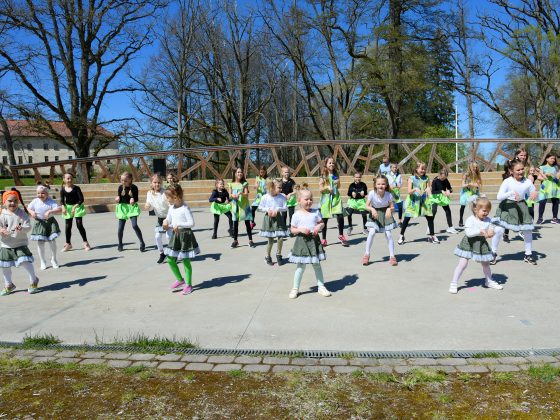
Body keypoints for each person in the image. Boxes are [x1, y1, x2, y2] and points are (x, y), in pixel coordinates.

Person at [450, 196, 502, 294]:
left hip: (481, 243)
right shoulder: (471, 219)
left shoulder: (488, 220)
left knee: (486, 264)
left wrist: (491, 233)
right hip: (469, 243)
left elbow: (490, 230)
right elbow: (468, 233)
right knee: (462, 264)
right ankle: (454, 283)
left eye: (488, 211)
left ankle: (489, 281)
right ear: (475, 209)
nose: (486, 213)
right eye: (484, 211)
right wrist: (480, 231)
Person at [490, 159, 538, 265]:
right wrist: (511, 192)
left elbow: (533, 192)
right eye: (518, 170)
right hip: (507, 207)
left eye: (522, 169)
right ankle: (493, 253)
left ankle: (528, 254)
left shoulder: (528, 182)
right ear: (511, 171)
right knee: (498, 229)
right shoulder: (507, 181)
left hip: (521, 207)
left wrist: (535, 194)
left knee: (528, 230)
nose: (521, 171)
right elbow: (499, 197)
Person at [288, 187, 331, 299]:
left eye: (311, 199)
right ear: (299, 201)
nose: (309, 201)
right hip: (302, 242)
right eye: (306, 199)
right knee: (300, 266)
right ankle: (295, 288)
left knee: (317, 265)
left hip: (314, 241)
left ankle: (321, 286)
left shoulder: (315, 212)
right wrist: (300, 230)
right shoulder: (296, 214)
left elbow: (322, 223)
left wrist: (318, 226)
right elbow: (292, 230)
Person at [163, 184, 200, 296]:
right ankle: (180, 280)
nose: (167, 199)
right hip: (176, 236)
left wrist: (178, 224)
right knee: (170, 259)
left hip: (185, 236)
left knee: (185, 260)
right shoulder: (171, 208)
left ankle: (188, 284)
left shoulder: (185, 208)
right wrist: (165, 222)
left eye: (168, 197)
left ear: (175, 197)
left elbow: (191, 223)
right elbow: (168, 219)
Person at [0, 190, 39, 295]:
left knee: (25, 261)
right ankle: (8, 284)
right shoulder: (2, 214)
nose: (12, 203)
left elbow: (28, 227)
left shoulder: (22, 214)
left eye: (15, 201)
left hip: (20, 243)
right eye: (10, 201)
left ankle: (33, 280)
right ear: (4, 202)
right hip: (6, 244)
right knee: (5, 266)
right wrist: (1, 230)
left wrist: (22, 228)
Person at [398, 162, 438, 245]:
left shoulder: (426, 178)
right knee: (407, 218)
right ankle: (401, 235)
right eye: (421, 169)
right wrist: (415, 189)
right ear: (416, 169)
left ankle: (432, 235)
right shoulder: (411, 178)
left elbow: (428, 189)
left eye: (424, 169)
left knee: (430, 217)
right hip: (413, 201)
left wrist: (429, 192)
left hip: (424, 201)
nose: (423, 170)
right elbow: (409, 191)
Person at [363, 175, 398, 266]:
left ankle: (392, 256)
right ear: (375, 185)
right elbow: (366, 206)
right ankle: (367, 254)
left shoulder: (389, 195)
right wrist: (372, 209)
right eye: (378, 184)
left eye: (383, 184)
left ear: (386, 185)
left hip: (385, 214)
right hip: (375, 213)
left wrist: (389, 209)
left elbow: (393, 207)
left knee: (388, 234)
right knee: (371, 232)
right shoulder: (372, 193)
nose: (381, 186)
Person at [28, 184, 62, 270]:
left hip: (50, 222)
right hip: (39, 223)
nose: (40, 195)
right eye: (38, 193)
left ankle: (54, 259)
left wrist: (50, 211)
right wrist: (32, 212)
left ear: (47, 194)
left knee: (52, 241)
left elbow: (58, 209)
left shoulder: (51, 201)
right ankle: (42, 261)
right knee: (40, 242)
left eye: (43, 193)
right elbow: (29, 208)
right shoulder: (35, 201)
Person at [258, 178, 289, 266]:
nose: (281, 189)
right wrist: (268, 210)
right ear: (272, 187)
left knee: (280, 237)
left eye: (281, 187)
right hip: (269, 219)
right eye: (279, 187)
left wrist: (278, 209)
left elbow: (285, 208)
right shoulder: (265, 197)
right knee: (270, 240)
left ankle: (278, 255)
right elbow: (260, 208)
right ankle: (267, 256)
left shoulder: (281, 197)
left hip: (278, 218)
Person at [319, 157, 347, 246]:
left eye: (333, 163)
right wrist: (327, 188)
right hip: (326, 199)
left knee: (340, 216)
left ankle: (341, 235)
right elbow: (320, 189)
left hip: (336, 198)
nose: (331, 164)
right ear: (326, 165)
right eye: (330, 163)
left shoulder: (336, 175)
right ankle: (324, 239)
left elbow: (338, 187)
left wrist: (338, 183)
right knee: (325, 219)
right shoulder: (323, 176)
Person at [60, 171, 91, 252]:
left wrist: (75, 207)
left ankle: (86, 243)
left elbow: (81, 199)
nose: (69, 180)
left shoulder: (77, 188)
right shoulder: (63, 189)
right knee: (68, 226)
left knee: (79, 224)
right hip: (68, 208)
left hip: (77, 206)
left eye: (71, 178)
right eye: (68, 178)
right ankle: (68, 244)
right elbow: (62, 200)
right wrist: (63, 207)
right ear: (64, 180)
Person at [115, 171, 145, 252]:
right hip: (123, 207)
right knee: (120, 228)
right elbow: (119, 197)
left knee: (134, 225)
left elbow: (136, 198)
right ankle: (120, 243)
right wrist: (117, 199)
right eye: (122, 180)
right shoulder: (120, 187)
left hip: (132, 207)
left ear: (130, 180)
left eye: (125, 181)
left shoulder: (134, 188)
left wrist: (133, 199)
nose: (123, 182)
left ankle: (142, 242)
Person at [144, 173, 170, 264]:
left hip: (168, 217)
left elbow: (170, 205)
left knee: (169, 236)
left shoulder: (165, 192)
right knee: (157, 236)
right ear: (151, 183)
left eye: (159, 182)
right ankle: (161, 253)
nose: (157, 184)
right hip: (160, 218)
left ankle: (172, 254)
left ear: (161, 183)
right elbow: (150, 206)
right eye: (155, 182)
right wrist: (148, 206)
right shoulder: (149, 193)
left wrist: (168, 219)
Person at [229, 167, 254, 248]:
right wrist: (232, 195)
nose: (240, 173)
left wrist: (241, 193)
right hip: (235, 206)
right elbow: (229, 195)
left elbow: (246, 195)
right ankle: (235, 241)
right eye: (238, 172)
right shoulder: (231, 184)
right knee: (235, 224)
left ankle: (250, 240)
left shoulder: (244, 183)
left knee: (247, 223)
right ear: (235, 174)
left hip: (244, 205)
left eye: (241, 172)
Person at [431, 168, 458, 234]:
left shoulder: (445, 180)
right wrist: (441, 191)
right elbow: (433, 191)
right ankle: (430, 226)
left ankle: (450, 227)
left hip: (443, 197)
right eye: (442, 178)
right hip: (435, 197)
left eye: (445, 178)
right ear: (439, 175)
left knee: (448, 211)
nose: (443, 179)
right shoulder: (435, 181)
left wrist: (449, 191)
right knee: (434, 211)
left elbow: (450, 188)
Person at [536, 153, 559, 224]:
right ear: (547, 159)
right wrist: (545, 175)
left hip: (555, 186)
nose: (553, 160)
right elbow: (539, 178)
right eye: (551, 158)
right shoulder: (542, 167)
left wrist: (553, 175)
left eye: (554, 159)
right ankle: (540, 218)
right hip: (545, 187)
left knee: (555, 202)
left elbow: (557, 178)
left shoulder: (556, 167)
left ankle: (554, 218)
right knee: (542, 202)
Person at [459, 162, 482, 227]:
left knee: (476, 205)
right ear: (470, 167)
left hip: (474, 191)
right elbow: (462, 185)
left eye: (476, 167)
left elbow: (479, 185)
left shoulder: (477, 174)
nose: (475, 168)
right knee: (463, 205)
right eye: (474, 167)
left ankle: (476, 220)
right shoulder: (466, 175)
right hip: (466, 191)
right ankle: (461, 219)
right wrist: (469, 184)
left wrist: (476, 185)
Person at [345, 172, 368, 236]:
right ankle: (350, 227)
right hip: (353, 201)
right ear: (354, 177)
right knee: (349, 213)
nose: (357, 178)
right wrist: (352, 193)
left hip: (361, 201)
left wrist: (363, 192)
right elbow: (348, 193)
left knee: (364, 215)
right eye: (356, 177)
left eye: (359, 177)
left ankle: (365, 228)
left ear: (361, 177)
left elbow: (366, 192)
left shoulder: (363, 184)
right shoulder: (351, 185)